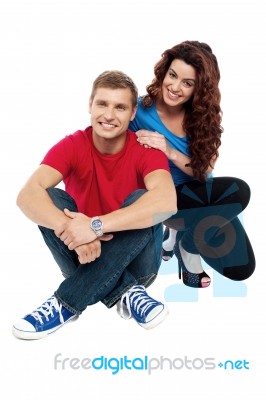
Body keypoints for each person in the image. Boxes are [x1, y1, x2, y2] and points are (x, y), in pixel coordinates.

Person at [12, 70, 177, 340]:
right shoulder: (73, 145)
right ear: (90, 105)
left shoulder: (145, 149)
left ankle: (65, 303)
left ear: (133, 112)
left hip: (139, 265)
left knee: (143, 201)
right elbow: (26, 195)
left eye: (120, 107)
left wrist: (95, 226)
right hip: (82, 256)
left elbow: (167, 202)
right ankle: (126, 292)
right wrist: (74, 231)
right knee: (50, 198)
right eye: (102, 104)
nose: (109, 115)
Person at [129, 40, 255, 288]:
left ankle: (180, 241)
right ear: (164, 71)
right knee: (240, 191)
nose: (175, 87)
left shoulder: (203, 118)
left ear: (199, 88)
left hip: (205, 199)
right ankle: (185, 246)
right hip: (169, 200)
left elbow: (205, 170)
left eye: (187, 83)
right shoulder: (139, 110)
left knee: (241, 269)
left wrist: (169, 150)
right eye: (172, 76)